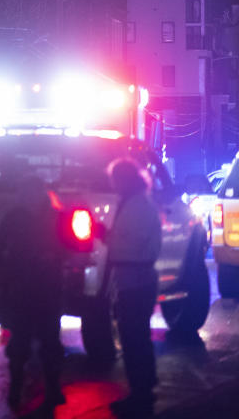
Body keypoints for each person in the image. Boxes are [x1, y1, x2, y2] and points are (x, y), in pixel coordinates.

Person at [0, 178, 67, 410]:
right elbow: (69, 246)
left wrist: (4, 273)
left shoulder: (16, 217)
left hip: (30, 286)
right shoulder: (52, 216)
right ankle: (47, 390)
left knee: (31, 339)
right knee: (41, 339)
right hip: (40, 286)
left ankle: (23, 390)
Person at [102, 158, 162, 417]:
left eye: (115, 179)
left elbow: (130, 244)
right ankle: (142, 389)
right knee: (136, 338)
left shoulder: (136, 206)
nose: (112, 184)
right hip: (136, 280)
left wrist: (105, 236)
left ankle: (141, 393)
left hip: (135, 281)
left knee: (133, 338)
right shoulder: (136, 203)